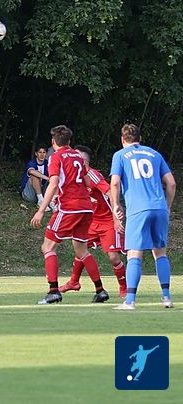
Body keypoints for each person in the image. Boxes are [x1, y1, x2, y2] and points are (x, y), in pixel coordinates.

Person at [29, 125, 108, 304]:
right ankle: (100, 290)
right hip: (86, 208)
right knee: (82, 250)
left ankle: (53, 291)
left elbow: (54, 182)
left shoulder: (56, 157)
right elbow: (87, 181)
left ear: (53, 141)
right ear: (69, 141)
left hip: (69, 208)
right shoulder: (78, 156)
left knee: (48, 247)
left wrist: (41, 210)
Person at [109, 123, 175, 310]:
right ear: (140, 138)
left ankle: (130, 301)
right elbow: (171, 183)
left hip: (138, 209)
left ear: (123, 140)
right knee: (160, 252)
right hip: (159, 208)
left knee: (134, 253)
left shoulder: (120, 155)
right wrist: (167, 207)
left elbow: (115, 183)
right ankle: (166, 297)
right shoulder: (155, 154)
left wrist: (116, 205)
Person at [59, 146, 127, 298]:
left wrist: (116, 217)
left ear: (83, 161)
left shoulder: (92, 175)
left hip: (108, 221)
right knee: (80, 249)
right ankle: (74, 282)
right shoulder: (74, 176)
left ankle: (124, 287)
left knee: (113, 257)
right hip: (91, 222)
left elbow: (110, 192)